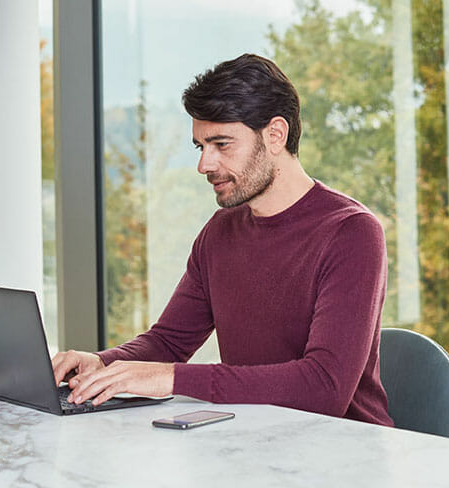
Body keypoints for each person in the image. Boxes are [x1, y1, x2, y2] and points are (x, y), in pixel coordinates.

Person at [52, 54, 393, 425]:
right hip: (254, 442)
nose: (204, 165)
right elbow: (168, 342)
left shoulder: (351, 232)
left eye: (222, 144)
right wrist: (102, 362)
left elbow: (324, 388)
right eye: (201, 147)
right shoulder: (220, 232)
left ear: (275, 135)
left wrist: (169, 379)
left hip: (346, 457)